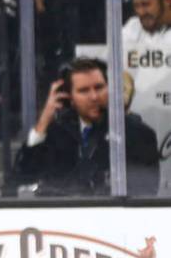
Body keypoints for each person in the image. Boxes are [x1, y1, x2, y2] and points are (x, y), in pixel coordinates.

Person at [13, 57, 160, 196]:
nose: (94, 97)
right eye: (84, 90)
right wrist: (43, 123)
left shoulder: (138, 134)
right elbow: (21, 176)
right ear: (68, 97)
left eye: (99, 87)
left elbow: (144, 191)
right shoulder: (55, 133)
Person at [123, 0, 171, 194]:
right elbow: (123, 76)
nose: (141, 12)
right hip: (147, 127)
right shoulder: (131, 29)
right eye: (137, 6)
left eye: (146, 4)